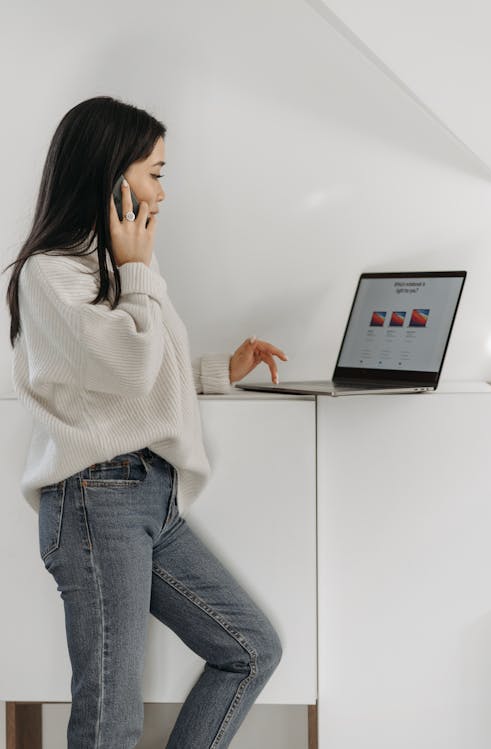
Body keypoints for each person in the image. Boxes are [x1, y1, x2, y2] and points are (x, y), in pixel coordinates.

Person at [3, 95, 288, 748]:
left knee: (248, 649)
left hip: (148, 497)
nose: (162, 191)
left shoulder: (123, 265)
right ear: (111, 175)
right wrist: (135, 269)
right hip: (96, 499)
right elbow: (129, 371)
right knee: (109, 720)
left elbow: (139, 374)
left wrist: (220, 368)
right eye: (154, 172)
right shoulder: (49, 277)